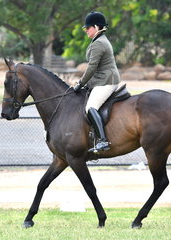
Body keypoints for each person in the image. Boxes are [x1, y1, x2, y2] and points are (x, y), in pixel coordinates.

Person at [73, 11, 121, 153]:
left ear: (96, 27)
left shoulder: (99, 43)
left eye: (88, 28)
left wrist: (80, 83)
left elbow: (92, 68)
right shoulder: (99, 41)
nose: (86, 30)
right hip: (102, 79)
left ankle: (102, 141)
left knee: (91, 107)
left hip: (107, 80)